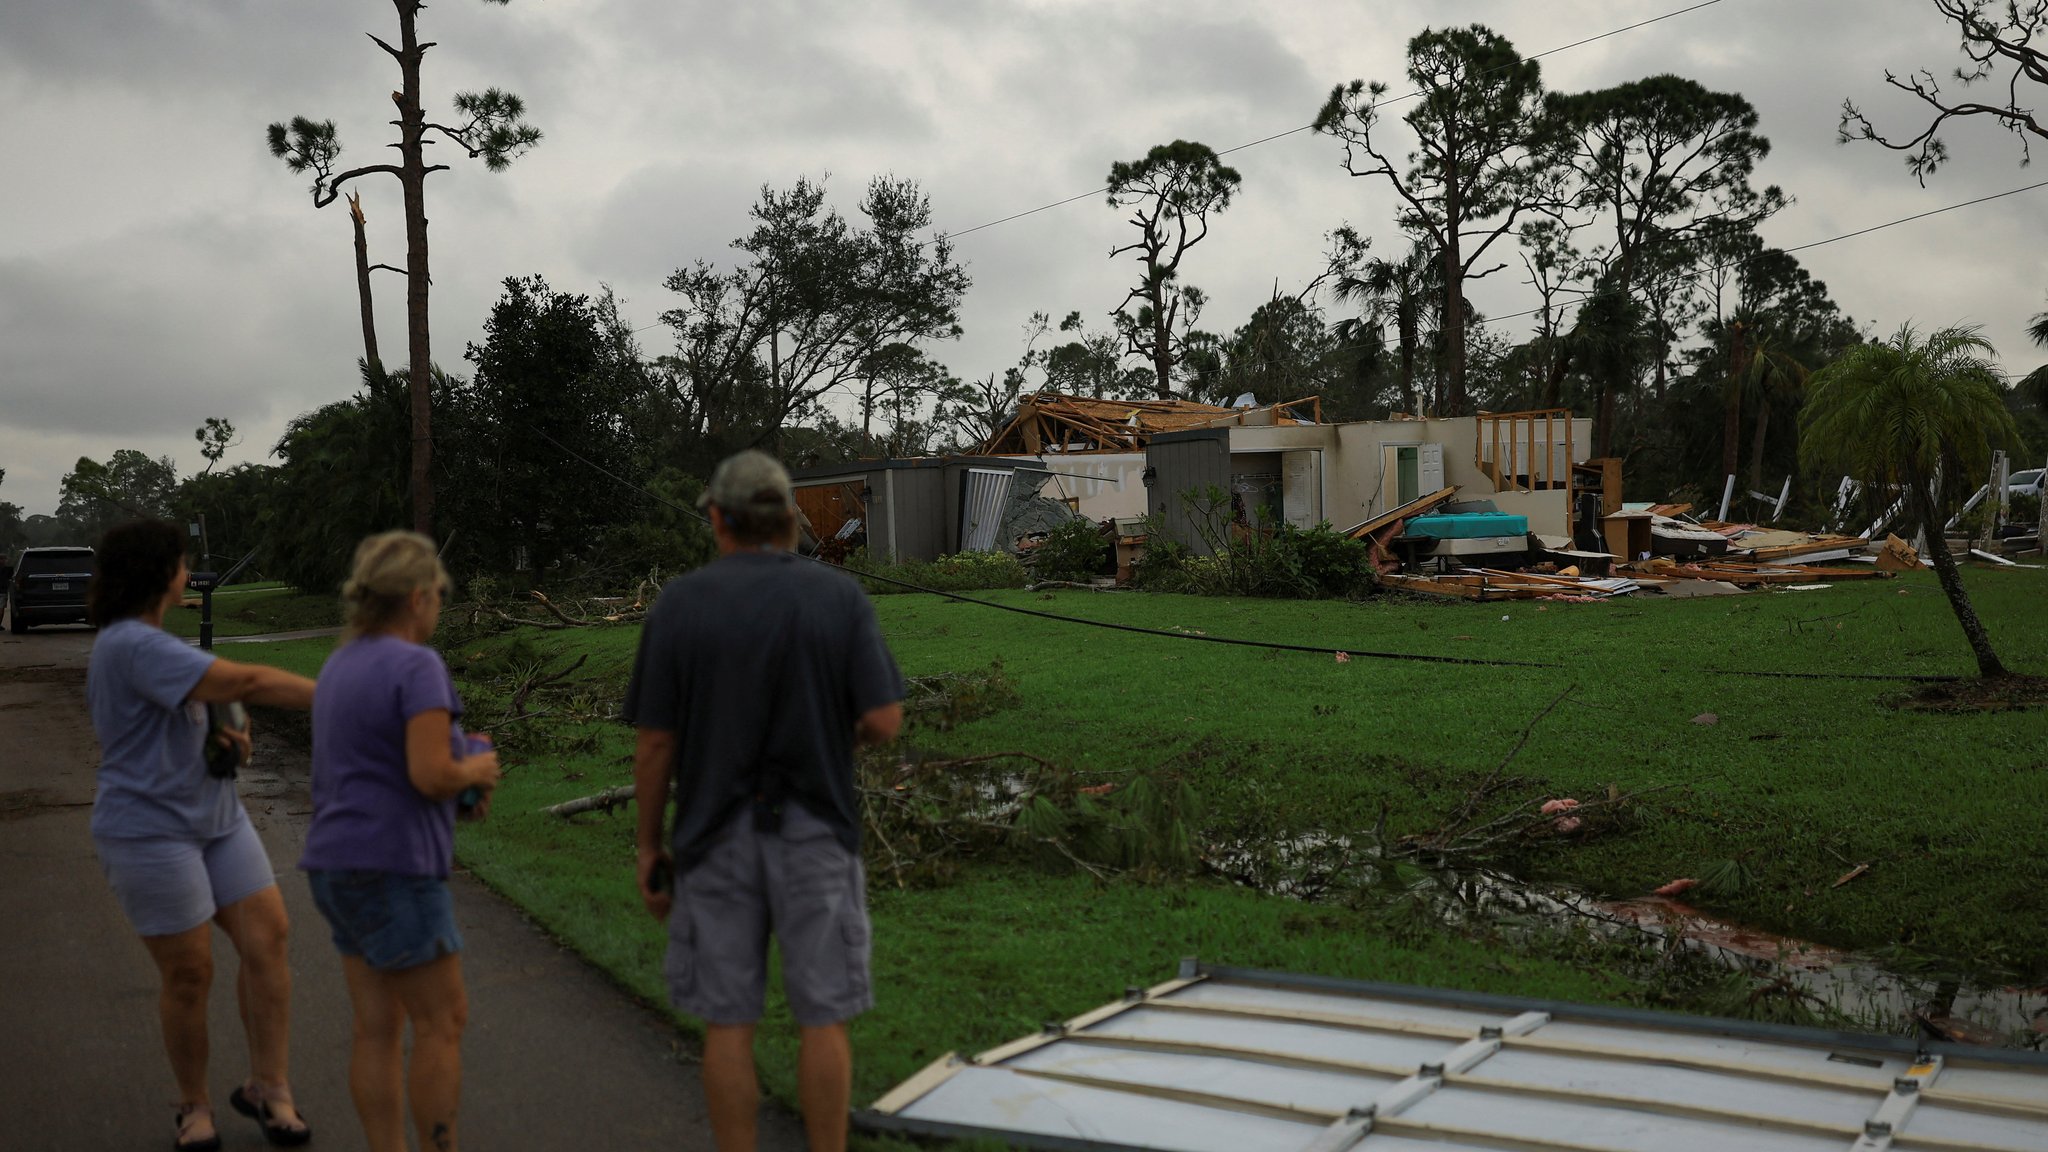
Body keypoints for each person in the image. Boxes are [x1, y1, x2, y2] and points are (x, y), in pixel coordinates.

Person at [629, 450, 905, 1152]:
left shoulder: (680, 605)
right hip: (817, 832)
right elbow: (882, 721)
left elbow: (656, 744)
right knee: (823, 1018)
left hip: (714, 838)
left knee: (728, 1022)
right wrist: (825, 736)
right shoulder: (838, 598)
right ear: (788, 521)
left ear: (718, 520)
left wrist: (649, 846)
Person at [84, 520, 318, 1151]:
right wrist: (341, 695)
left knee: (267, 938)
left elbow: (206, 709)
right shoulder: (130, 642)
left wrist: (224, 740)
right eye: (183, 563)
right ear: (165, 573)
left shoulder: (152, 642)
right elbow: (245, 682)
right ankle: (194, 1106)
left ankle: (269, 1088)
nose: (188, 573)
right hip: (149, 832)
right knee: (189, 973)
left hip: (216, 820)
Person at [300, 531, 501, 1152]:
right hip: (394, 868)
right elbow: (431, 773)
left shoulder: (340, 662)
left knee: (377, 1027)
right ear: (417, 598)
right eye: (438, 595)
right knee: (443, 1021)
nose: (438, 605)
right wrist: (476, 772)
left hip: (335, 863)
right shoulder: (418, 665)